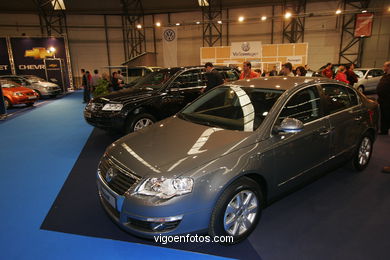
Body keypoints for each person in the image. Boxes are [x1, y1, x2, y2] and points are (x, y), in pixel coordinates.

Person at [376, 61, 390, 135]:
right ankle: (384, 130)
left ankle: (385, 129)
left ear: (388, 67)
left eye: (384, 66)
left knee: (387, 115)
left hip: (388, 100)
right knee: (383, 115)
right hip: (382, 99)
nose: (383, 67)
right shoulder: (385, 75)